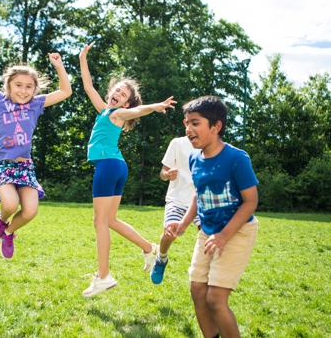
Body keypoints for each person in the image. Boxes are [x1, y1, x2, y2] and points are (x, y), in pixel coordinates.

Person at [79, 41, 177, 297]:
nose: (117, 95)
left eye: (123, 95)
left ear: (126, 105)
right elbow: (88, 86)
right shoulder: (104, 110)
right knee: (110, 220)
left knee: (99, 221)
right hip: (118, 166)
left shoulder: (117, 115)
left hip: (109, 166)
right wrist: (82, 58)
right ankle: (149, 248)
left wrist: (155, 107)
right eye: (116, 90)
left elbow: (139, 110)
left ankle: (103, 276)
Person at [0, 40, 71, 259]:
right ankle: (1, 220)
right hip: (4, 164)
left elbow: (65, 91)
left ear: (34, 89)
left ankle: (8, 231)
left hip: (25, 167)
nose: (23, 90)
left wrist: (59, 66)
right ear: (8, 86)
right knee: (10, 203)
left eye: (29, 86)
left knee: (31, 210)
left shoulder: (36, 104)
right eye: (18, 85)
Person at [166, 96, 259, 338]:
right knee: (197, 290)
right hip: (208, 232)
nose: (188, 129)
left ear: (216, 126)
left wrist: (224, 235)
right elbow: (199, 195)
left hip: (237, 232)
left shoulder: (236, 158)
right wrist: (183, 224)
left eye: (195, 123)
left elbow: (251, 202)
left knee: (215, 298)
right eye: (186, 123)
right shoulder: (194, 158)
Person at [150, 136, 201, 285]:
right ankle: (161, 258)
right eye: (189, 122)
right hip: (177, 199)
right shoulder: (177, 143)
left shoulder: (211, 145)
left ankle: (203, 271)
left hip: (201, 200)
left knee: (207, 233)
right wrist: (167, 174)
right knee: (169, 233)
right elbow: (163, 172)